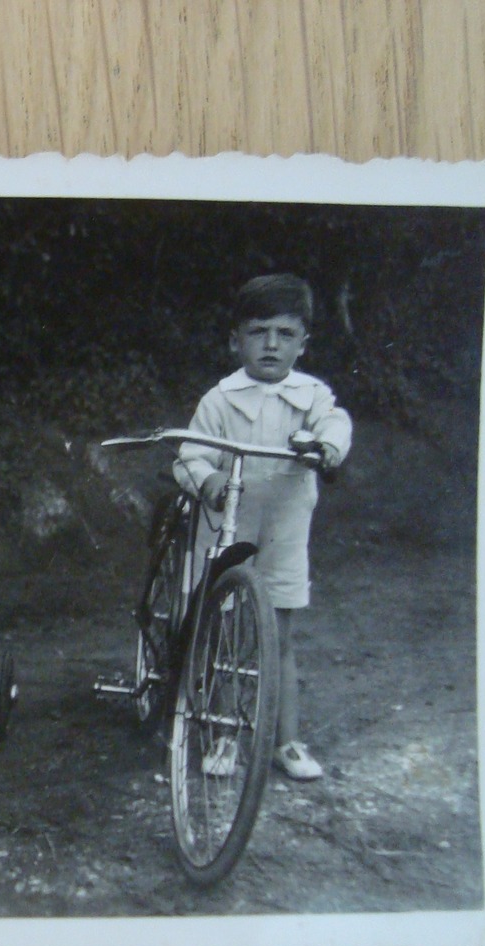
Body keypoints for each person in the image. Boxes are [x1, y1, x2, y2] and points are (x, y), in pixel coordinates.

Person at [174, 273, 352, 782]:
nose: (271, 344)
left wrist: (326, 448)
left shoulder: (312, 395)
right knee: (227, 631)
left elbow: (335, 423)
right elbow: (190, 454)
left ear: (302, 343)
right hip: (229, 532)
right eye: (258, 332)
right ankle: (225, 734)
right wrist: (207, 480)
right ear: (236, 340)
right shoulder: (220, 399)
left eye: (285, 334)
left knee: (280, 637)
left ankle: (286, 741)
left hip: (285, 531)